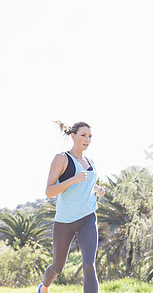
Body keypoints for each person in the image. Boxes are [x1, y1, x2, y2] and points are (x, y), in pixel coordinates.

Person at [38, 121, 105, 293]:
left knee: (89, 265)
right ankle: (44, 287)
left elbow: (88, 185)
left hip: (88, 218)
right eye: (83, 135)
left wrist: (97, 189)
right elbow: (49, 191)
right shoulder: (61, 159)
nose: (87, 139)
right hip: (65, 221)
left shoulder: (90, 161)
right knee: (57, 267)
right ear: (73, 136)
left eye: (90, 136)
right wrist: (72, 180)